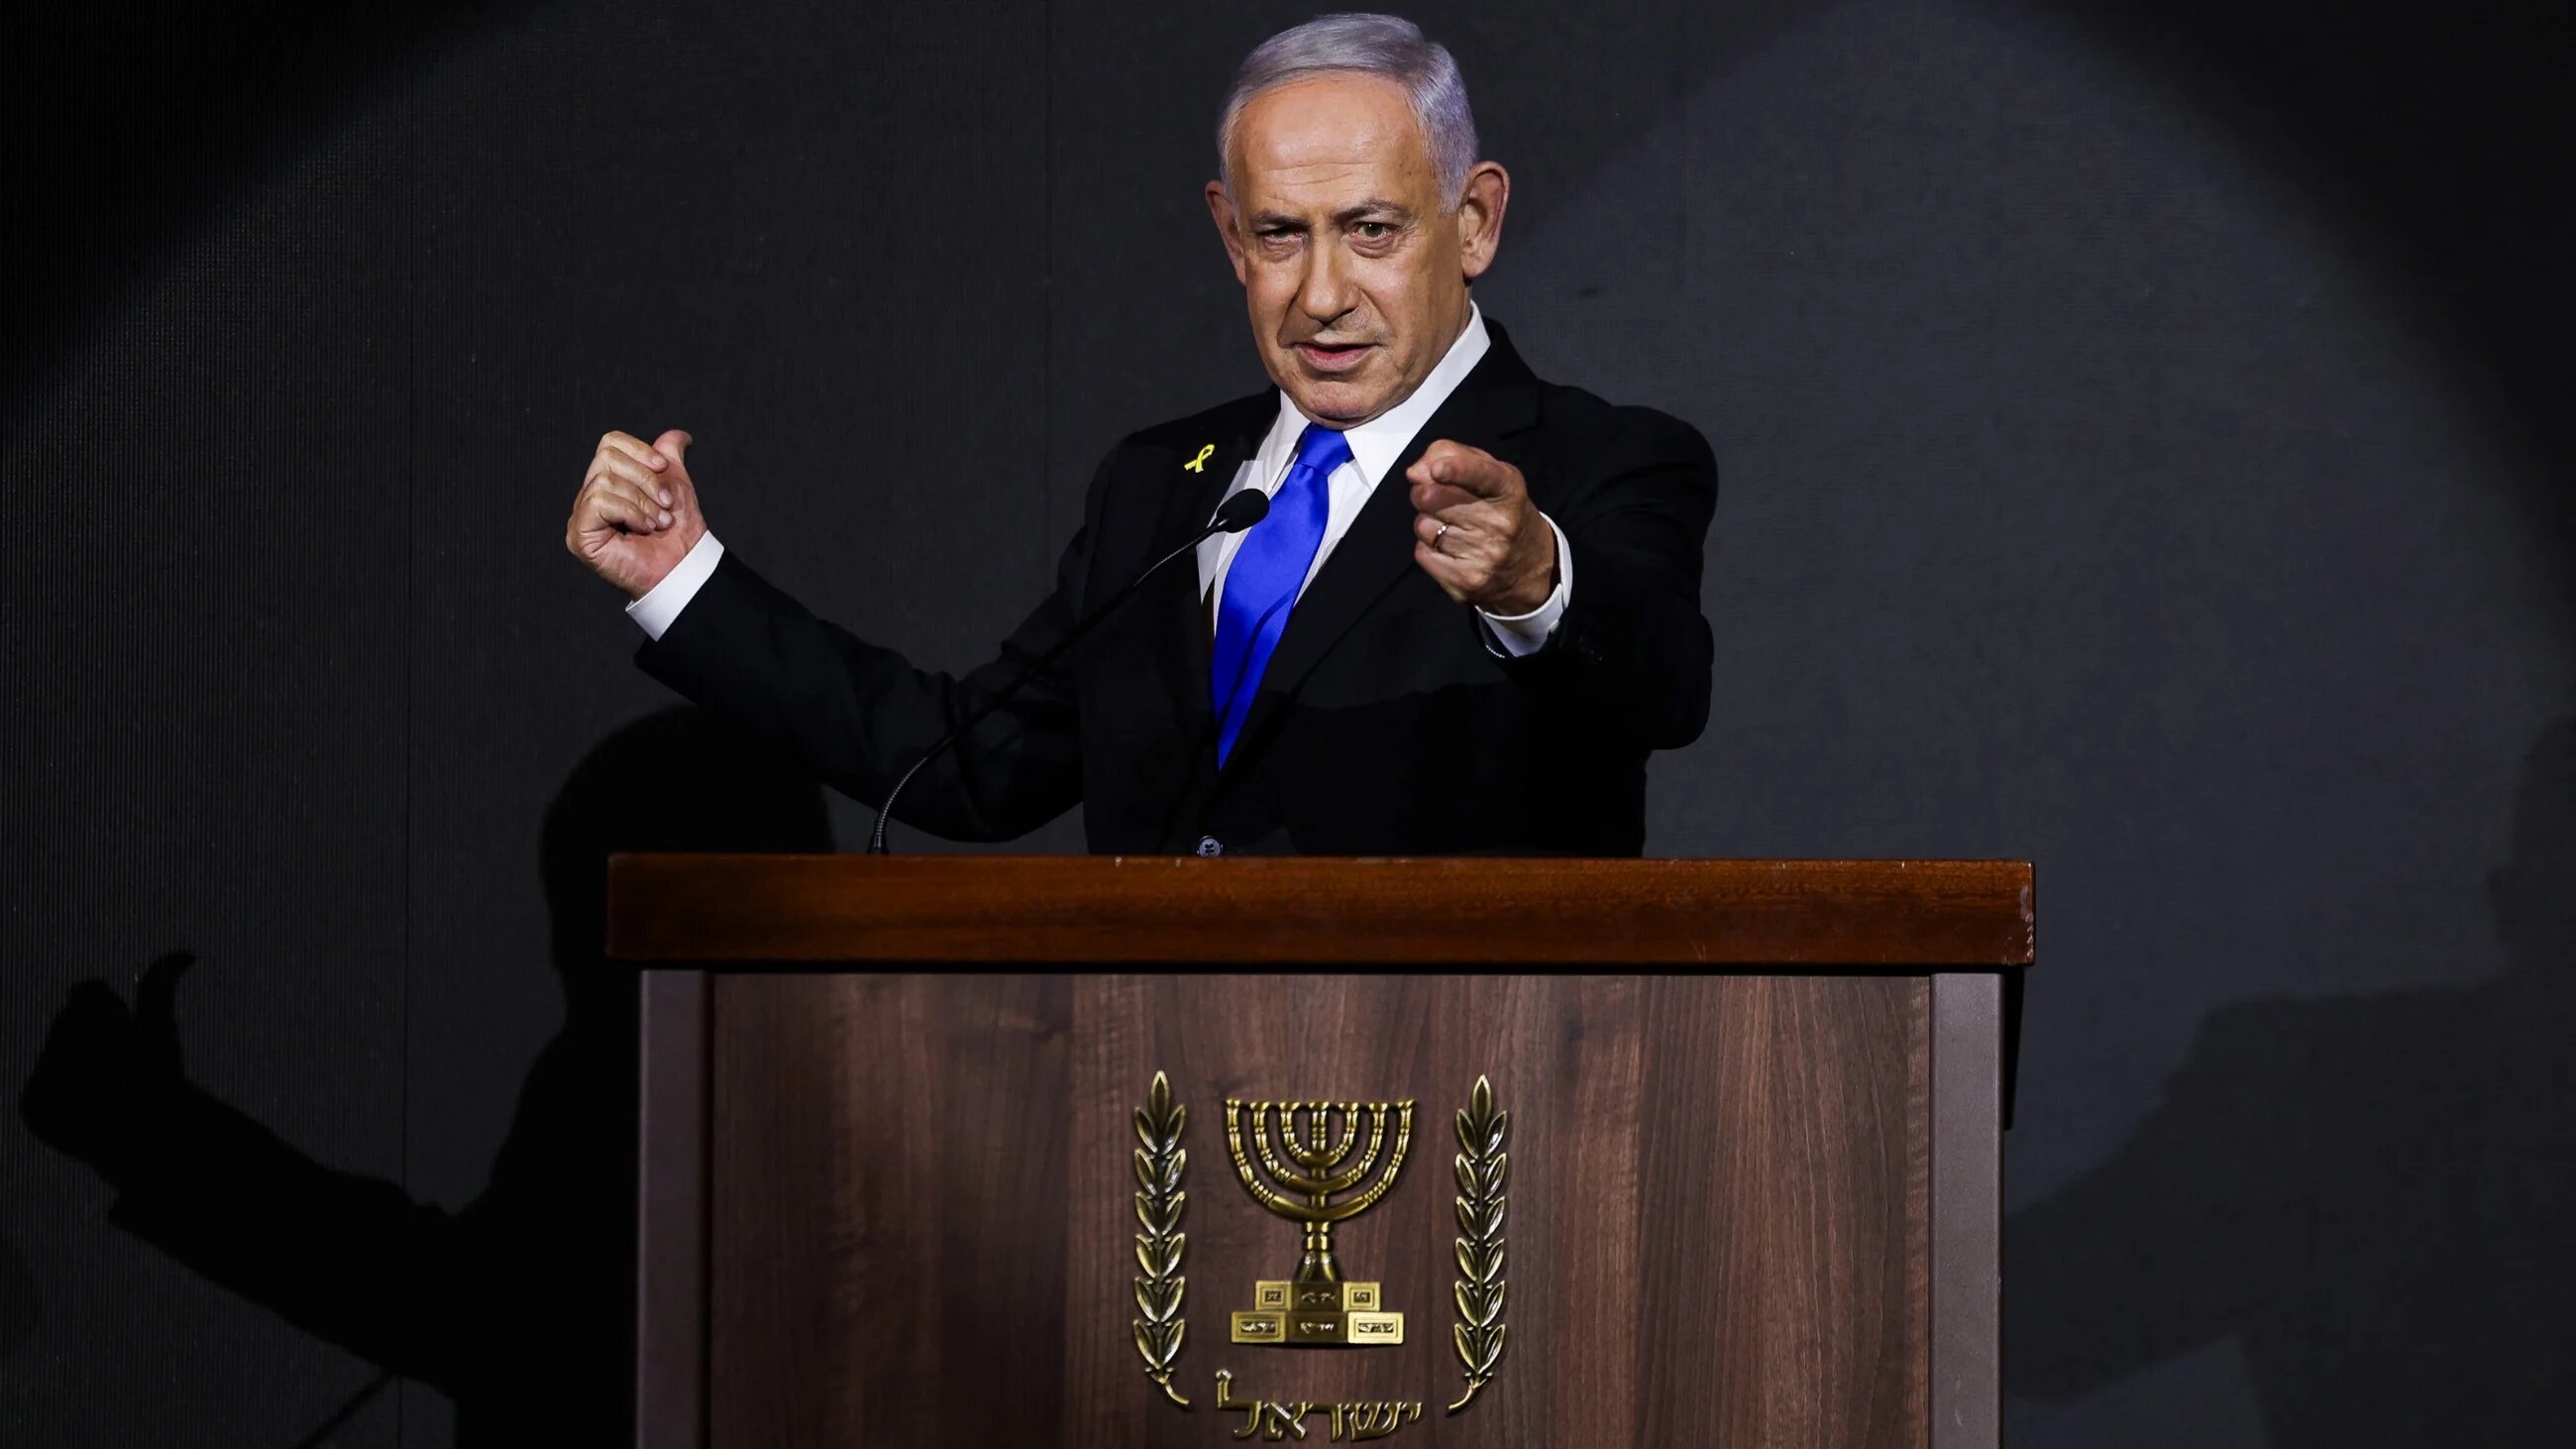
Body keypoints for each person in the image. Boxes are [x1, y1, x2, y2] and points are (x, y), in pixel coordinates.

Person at [565, 13, 1718, 855]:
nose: (1320, 293)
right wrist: (685, 582)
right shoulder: (1161, 486)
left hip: (1456, 1110)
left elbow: (1662, 686)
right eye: (1279, 235)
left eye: (1369, 230)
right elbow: (973, 764)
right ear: (1228, 235)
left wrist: (1532, 585)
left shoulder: (1597, 462)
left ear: (1473, 222)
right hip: (1156, 1116)